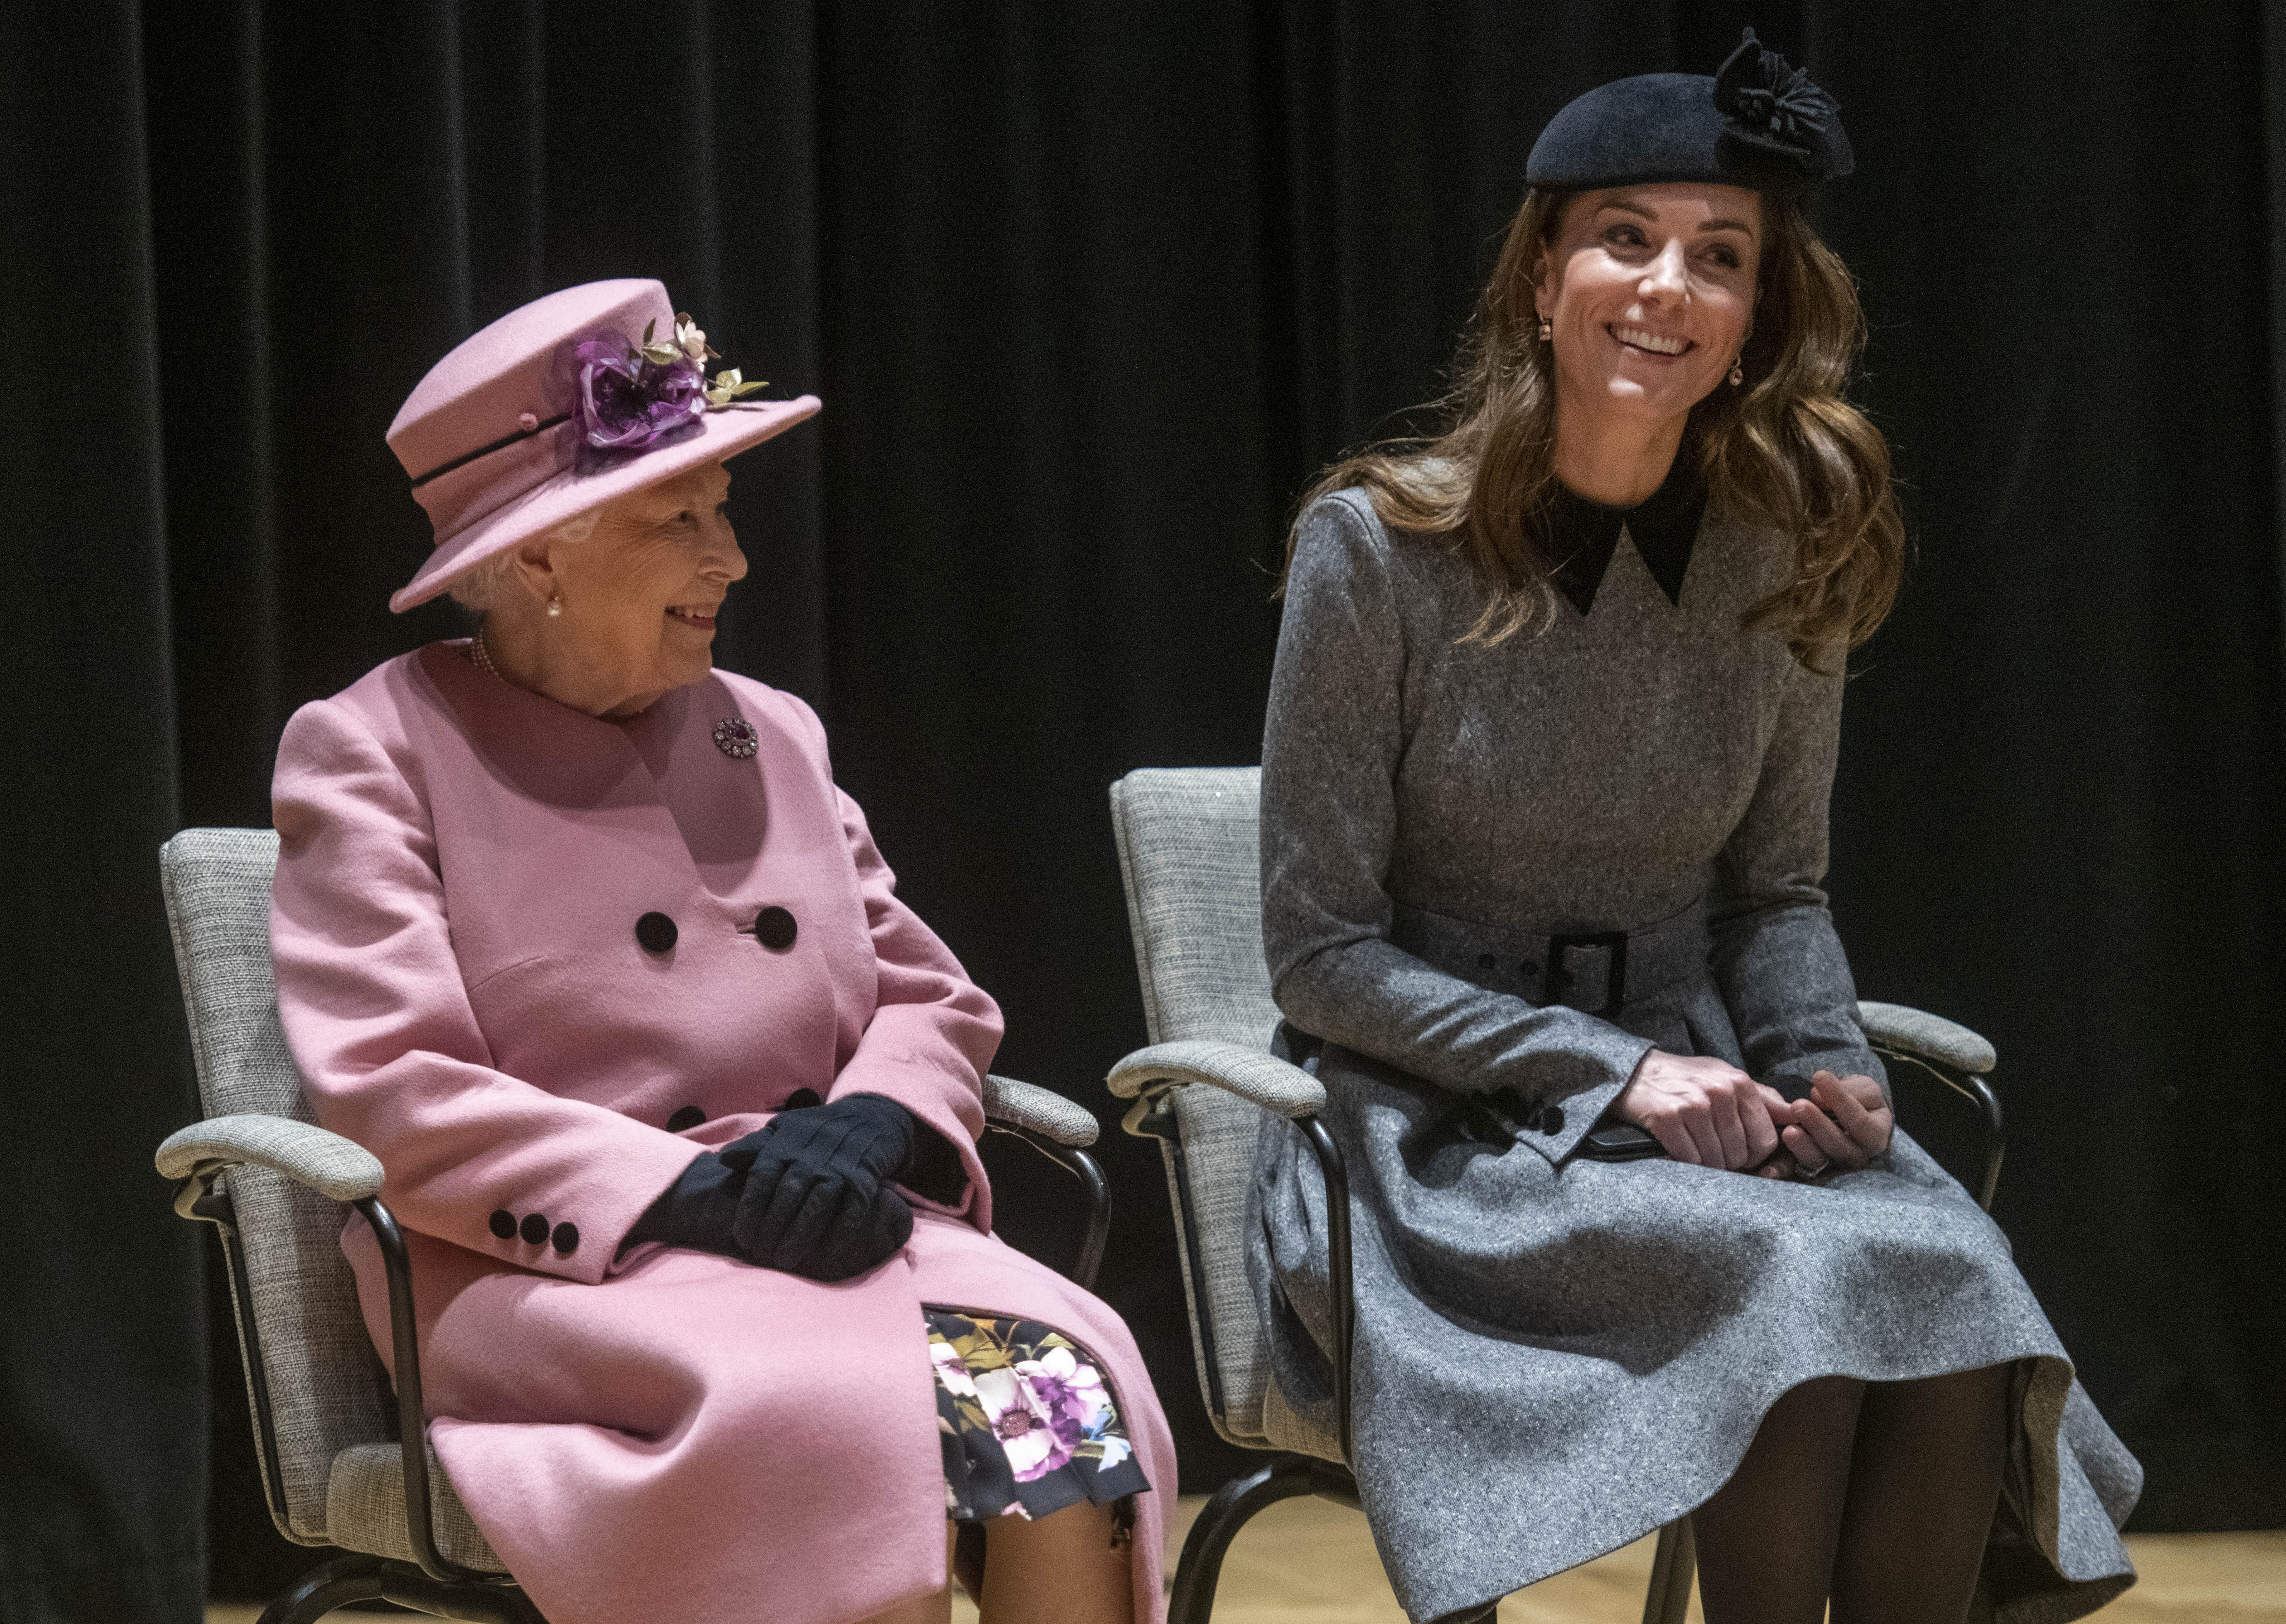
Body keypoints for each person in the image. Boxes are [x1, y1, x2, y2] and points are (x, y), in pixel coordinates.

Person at [1247, 34, 2139, 1624]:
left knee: (1952, 1289)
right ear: (1543, 275)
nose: (1667, 287)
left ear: (1752, 322)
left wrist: (1819, 1061)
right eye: (1625, 238)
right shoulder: (1374, 548)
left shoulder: (1784, 547)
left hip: (1708, 1085)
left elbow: (1776, 891)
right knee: (1792, 1289)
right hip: (1449, 1137)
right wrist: (1612, 1073)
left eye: (1719, 258)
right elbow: (1319, 957)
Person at [270, 278, 1172, 1624]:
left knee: (1061, 1406)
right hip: (562, 1276)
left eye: (723, 508)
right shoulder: (375, 750)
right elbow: (397, 1087)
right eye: (677, 518)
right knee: (842, 1427)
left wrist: (868, 1124)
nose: (731, 559)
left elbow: (928, 993)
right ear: (538, 557)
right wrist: (687, 1197)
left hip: (840, 1226)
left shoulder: (773, 730)